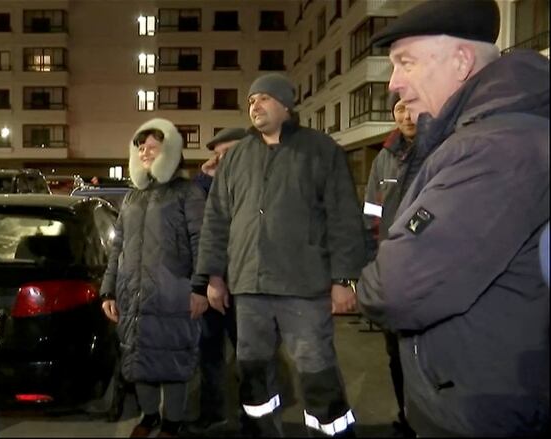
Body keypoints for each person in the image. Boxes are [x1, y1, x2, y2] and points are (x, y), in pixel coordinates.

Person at [356, 0, 549, 436]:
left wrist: (367, 280)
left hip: (485, 412)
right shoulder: (498, 134)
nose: (394, 84)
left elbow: (397, 288)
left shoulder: (492, 149)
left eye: (406, 62)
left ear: (462, 62)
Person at [197, 73, 366, 437]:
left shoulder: (321, 150)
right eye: (250, 101)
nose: (254, 106)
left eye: (263, 99)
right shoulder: (237, 157)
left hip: (303, 285)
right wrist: (212, 276)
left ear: (286, 104)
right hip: (249, 286)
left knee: (317, 370)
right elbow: (216, 221)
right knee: (253, 374)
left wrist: (344, 280)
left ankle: (331, 432)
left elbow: (344, 218)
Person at [100, 118, 208, 437]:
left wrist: (200, 287)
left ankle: (172, 422)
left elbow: (201, 241)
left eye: (153, 146)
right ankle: (149, 417)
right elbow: (117, 246)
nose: (145, 152)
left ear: (171, 150)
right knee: (139, 360)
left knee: (173, 362)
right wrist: (108, 290)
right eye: (141, 147)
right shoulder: (132, 197)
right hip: (132, 293)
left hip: (174, 293)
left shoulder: (186, 193)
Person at [361, 95, 416, 437]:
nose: (406, 115)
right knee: (395, 351)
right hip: (390, 267)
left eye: (411, 107)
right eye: (399, 109)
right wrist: (372, 256)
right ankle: (406, 417)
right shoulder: (384, 157)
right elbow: (371, 210)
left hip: (428, 267)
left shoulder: (442, 146)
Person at [188, 127, 246, 435]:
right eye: (219, 154)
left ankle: (252, 417)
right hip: (214, 284)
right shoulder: (212, 185)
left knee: (249, 357)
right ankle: (212, 413)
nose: (223, 159)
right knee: (209, 354)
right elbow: (206, 224)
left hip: (248, 286)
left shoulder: (258, 181)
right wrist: (204, 176)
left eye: (230, 152)